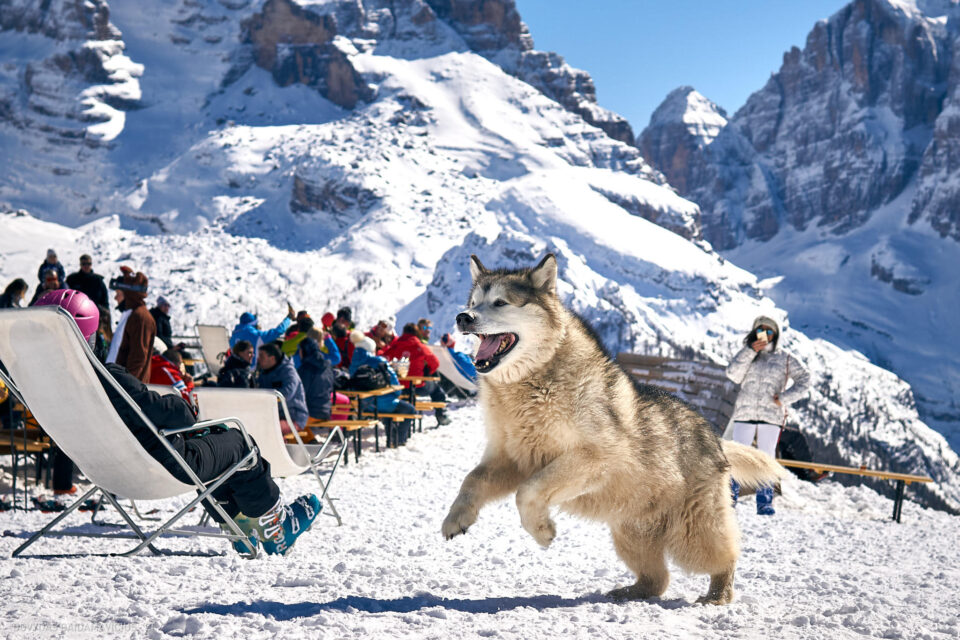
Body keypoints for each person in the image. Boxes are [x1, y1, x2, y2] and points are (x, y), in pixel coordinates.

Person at [724, 315, 811, 516]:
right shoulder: (748, 353)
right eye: (760, 330)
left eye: (770, 331)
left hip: (771, 415)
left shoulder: (786, 358)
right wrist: (750, 351)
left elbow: (805, 379)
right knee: (737, 456)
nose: (765, 335)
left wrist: (785, 397)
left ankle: (764, 502)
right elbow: (733, 375)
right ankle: (729, 500)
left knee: (766, 457)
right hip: (745, 412)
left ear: (777, 335)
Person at [350, 336, 418, 443]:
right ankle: (399, 440)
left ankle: (392, 436)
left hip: (362, 404)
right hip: (382, 403)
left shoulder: (353, 364)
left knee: (391, 411)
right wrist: (397, 394)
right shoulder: (379, 361)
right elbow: (394, 382)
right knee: (410, 409)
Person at [383, 323, 450, 425]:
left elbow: (384, 359)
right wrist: (427, 372)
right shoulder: (420, 346)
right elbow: (435, 363)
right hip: (418, 386)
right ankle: (441, 416)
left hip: (398, 386)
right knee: (437, 391)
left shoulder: (395, 345)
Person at [107, 266, 156, 383]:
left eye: (118, 292)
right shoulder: (130, 314)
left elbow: (138, 359)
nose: (115, 297)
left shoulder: (140, 318)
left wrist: (126, 387)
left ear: (128, 294)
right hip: (116, 384)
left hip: (125, 391)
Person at [256, 341, 308, 434]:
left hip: (292, 417)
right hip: (273, 415)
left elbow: (287, 393)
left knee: (267, 428)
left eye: (261, 356)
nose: (258, 359)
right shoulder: (263, 373)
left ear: (272, 358)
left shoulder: (288, 372)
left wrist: (267, 400)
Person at [230, 304, 295, 368]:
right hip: (249, 371)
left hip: (234, 370)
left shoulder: (233, 337)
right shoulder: (256, 335)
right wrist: (288, 318)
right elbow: (278, 331)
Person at [297, 336, 336, 422]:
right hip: (326, 410)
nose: (299, 353)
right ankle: (308, 436)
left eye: (300, 350)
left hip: (310, 412)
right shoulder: (327, 366)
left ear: (305, 351)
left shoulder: (305, 368)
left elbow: (301, 392)